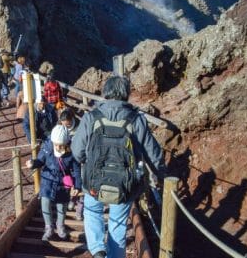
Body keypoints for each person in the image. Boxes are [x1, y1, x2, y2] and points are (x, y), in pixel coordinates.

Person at [71, 76, 166, 258]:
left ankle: (97, 248)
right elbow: (153, 153)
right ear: (126, 94)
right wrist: (161, 174)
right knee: (117, 223)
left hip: (93, 179)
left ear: (106, 92)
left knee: (92, 211)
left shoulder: (91, 117)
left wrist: (88, 161)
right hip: (125, 182)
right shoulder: (136, 120)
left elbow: (77, 151)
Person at [26, 125, 81, 242]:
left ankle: (60, 225)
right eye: (56, 144)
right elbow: (40, 160)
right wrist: (33, 164)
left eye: (61, 145)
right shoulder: (47, 147)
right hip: (47, 180)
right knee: (45, 203)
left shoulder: (71, 151)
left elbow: (76, 170)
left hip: (62, 183)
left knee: (62, 206)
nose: (58, 147)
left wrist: (77, 185)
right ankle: (48, 227)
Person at [59, 107, 83, 220]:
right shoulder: (60, 126)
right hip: (67, 156)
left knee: (80, 180)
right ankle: (72, 198)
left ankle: (80, 207)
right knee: (69, 180)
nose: (66, 127)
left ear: (72, 120)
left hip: (79, 156)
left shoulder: (80, 126)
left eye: (67, 125)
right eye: (64, 125)